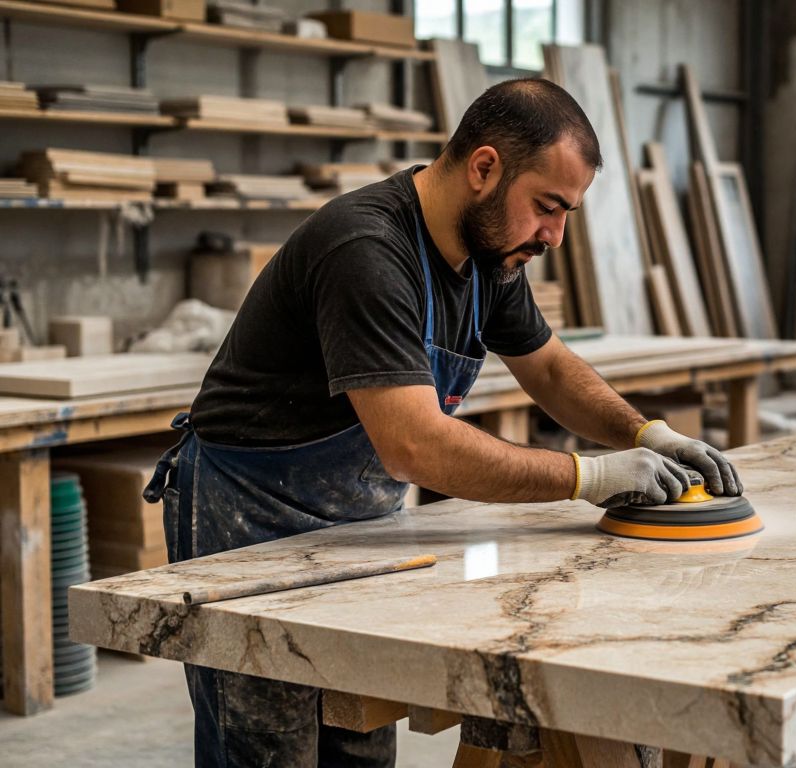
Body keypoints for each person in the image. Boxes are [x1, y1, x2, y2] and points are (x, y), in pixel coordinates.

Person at [142, 78, 742, 768]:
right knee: (269, 752)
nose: (555, 235)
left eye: (568, 213)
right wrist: (591, 475)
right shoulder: (366, 248)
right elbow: (415, 446)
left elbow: (549, 371)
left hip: (354, 531)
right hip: (247, 516)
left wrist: (645, 434)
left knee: (357, 741)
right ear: (485, 168)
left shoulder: (488, 258)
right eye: (548, 207)